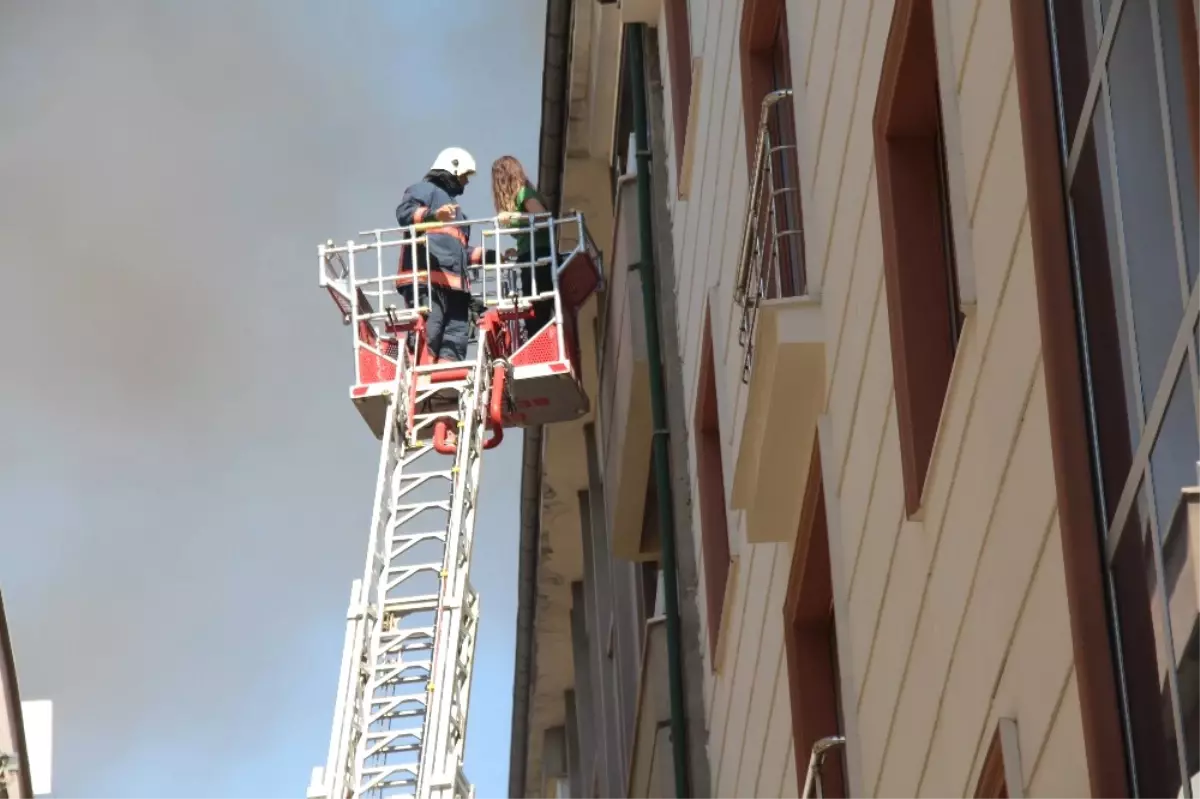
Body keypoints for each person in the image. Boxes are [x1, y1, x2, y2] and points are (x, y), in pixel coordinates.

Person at [395, 147, 491, 363]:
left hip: (455, 289)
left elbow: (457, 252)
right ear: (452, 168)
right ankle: (423, 381)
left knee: (454, 341)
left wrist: (486, 256)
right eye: (465, 176)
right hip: (427, 283)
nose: (466, 182)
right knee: (430, 332)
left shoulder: (458, 213)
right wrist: (433, 215)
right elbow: (404, 213)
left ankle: (445, 382)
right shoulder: (423, 190)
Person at [491, 155, 555, 339]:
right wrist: (519, 251)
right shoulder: (520, 196)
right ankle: (538, 339)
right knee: (533, 311)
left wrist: (515, 218)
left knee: (537, 311)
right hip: (531, 257)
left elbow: (543, 217)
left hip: (539, 259)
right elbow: (533, 230)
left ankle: (539, 342)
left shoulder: (523, 193)